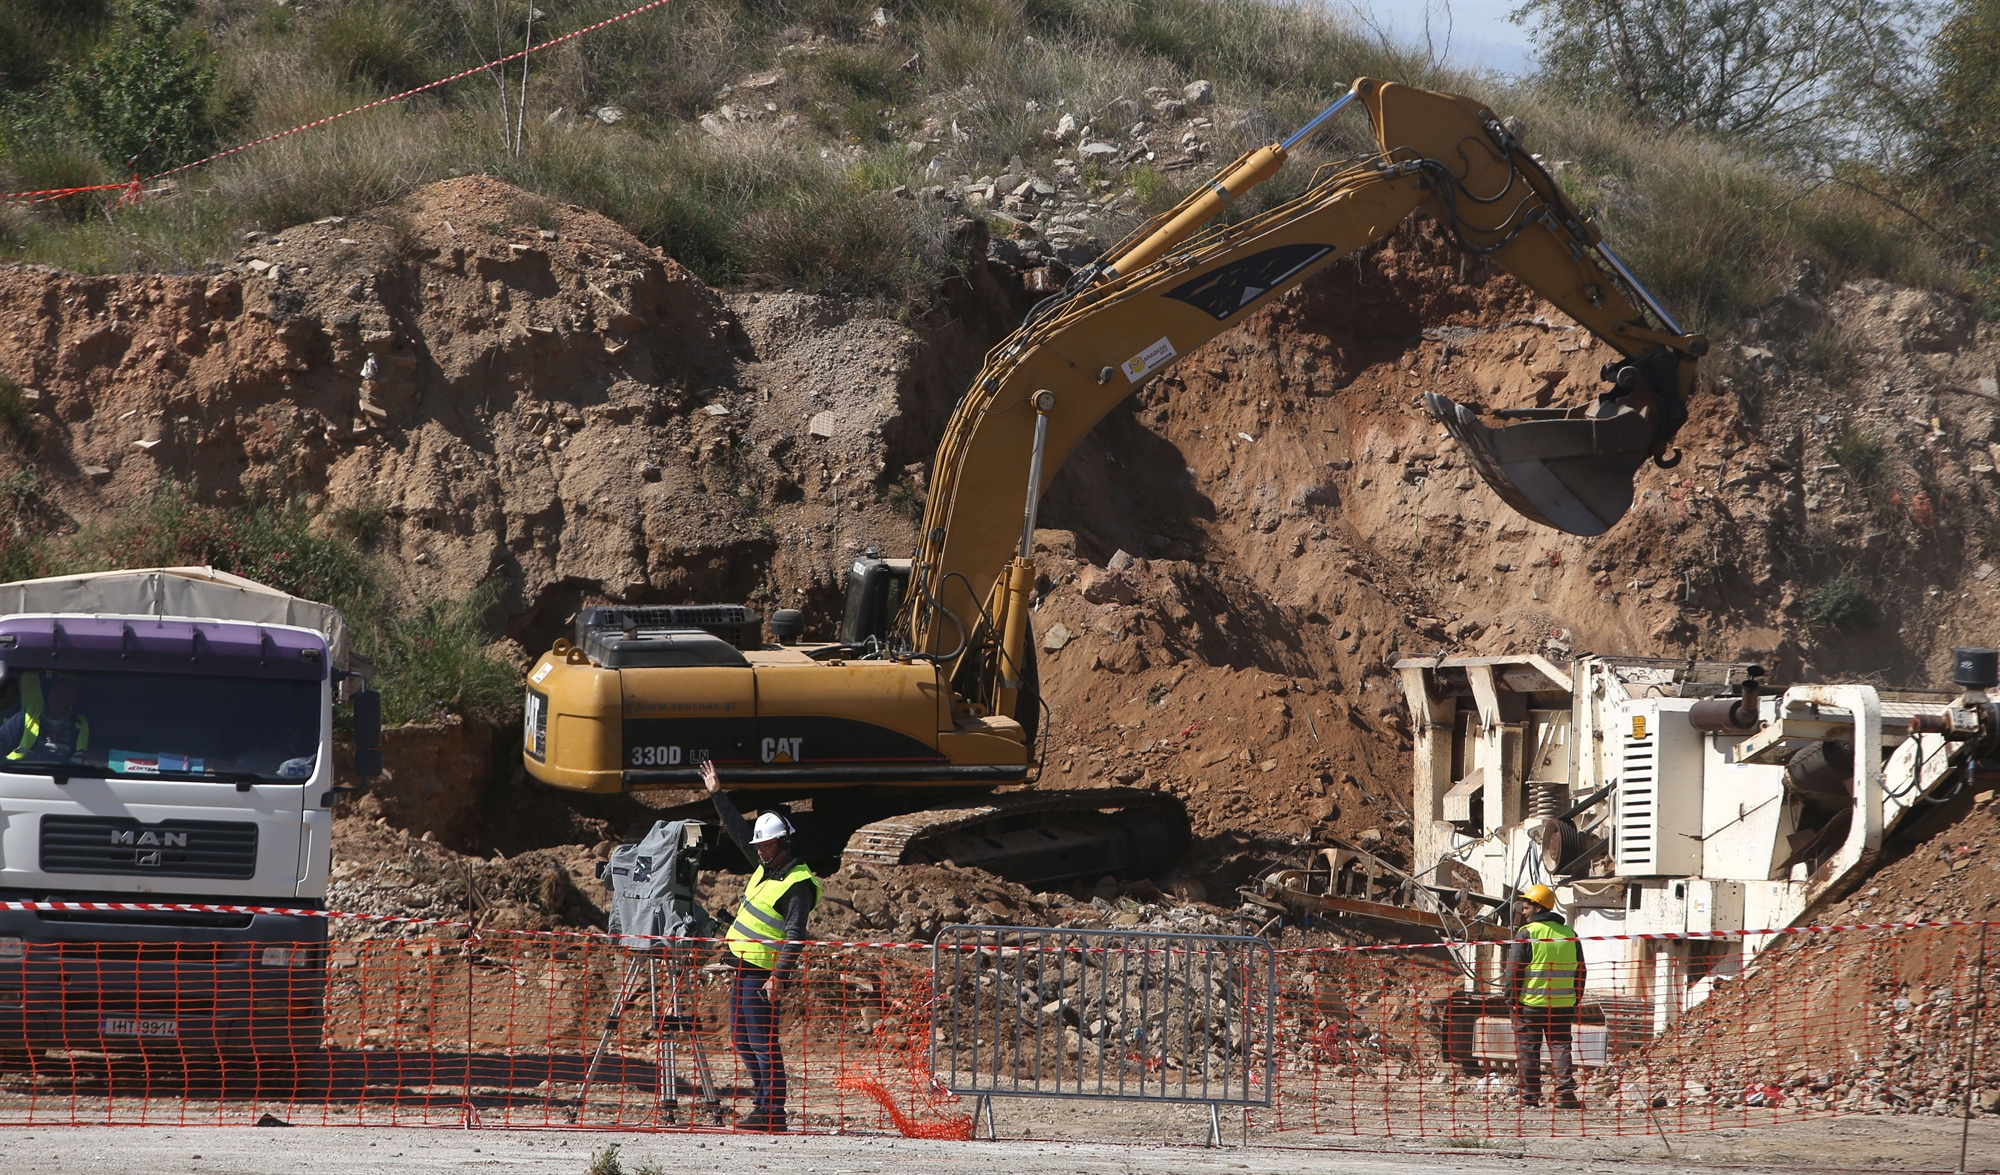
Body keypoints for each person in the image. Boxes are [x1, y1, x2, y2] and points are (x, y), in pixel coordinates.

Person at [701, 758, 820, 1133]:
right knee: (741, 1037)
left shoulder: (797, 883)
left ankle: (773, 1110)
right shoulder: (765, 866)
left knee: (762, 1041)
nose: (761, 850)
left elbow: (796, 935)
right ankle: (763, 1101)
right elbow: (738, 831)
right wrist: (718, 794)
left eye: (767, 845)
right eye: (760, 846)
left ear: (783, 843)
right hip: (743, 967)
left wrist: (779, 977)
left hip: (764, 974)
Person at [1506, 883, 1585, 1109]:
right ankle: (1565, 1096)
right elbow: (1581, 970)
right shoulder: (1570, 934)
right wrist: (1575, 998)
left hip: (1530, 1004)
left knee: (1528, 1049)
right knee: (1561, 1047)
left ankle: (1529, 1098)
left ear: (1539, 907)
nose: (1523, 910)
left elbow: (1513, 971)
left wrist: (1511, 1000)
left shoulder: (1528, 933)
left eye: (1526, 905)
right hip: (1562, 1004)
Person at [1, 673, 89, 763]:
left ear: (72, 699)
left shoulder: (82, 724)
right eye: (53, 691)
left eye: (62, 694)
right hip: (24, 772)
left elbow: (98, 755)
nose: (55, 697)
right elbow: (2, 739)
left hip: (67, 774)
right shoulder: (28, 716)